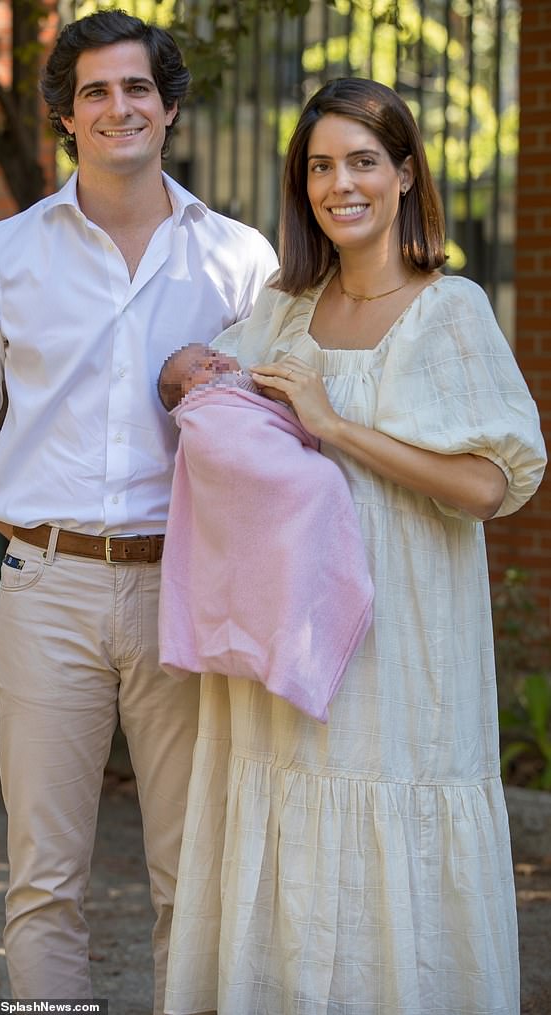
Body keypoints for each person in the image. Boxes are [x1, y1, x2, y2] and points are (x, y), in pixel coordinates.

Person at [163, 78, 547, 1015]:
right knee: (284, 829)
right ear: (303, 186)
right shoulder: (286, 310)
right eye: (321, 166)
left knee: (390, 840)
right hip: (282, 643)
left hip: (402, 650)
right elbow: (211, 405)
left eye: (364, 161)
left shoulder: (450, 310)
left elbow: (491, 485)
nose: (342, 184)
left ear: (406, 175)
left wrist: (333, 426)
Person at [0, 10, 277, 1010]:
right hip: (46, 589)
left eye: (136, 88)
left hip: (187, 586)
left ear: (168, 107)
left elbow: (262, 428)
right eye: (95, 91)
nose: (118, 106)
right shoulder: (1, 257)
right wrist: (37, 527)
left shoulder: (239, 261)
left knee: (190, 873)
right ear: (64, 116)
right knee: (43, 878)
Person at [156, 344, 374, 722]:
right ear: (184, 395)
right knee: (318, 483)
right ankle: (291, 657)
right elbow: (234, 449)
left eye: (212, 354)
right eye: (198, 368)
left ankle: (296, 655)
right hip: (264, 475)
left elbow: (277, 422)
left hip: (278, 476)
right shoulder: (204, 413)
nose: (213, 362)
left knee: (300, 532)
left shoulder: (249, 384)